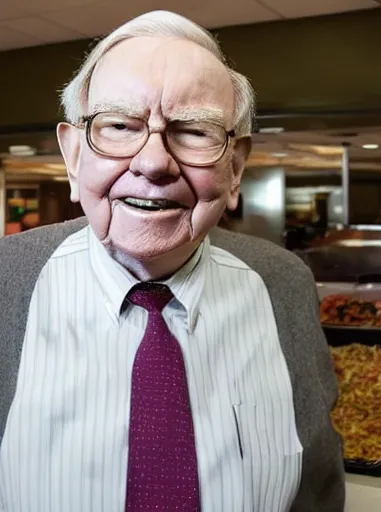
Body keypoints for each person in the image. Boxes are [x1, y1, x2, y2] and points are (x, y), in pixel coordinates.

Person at [0, 10, 344, 512]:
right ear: (73, 156)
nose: (154, 163)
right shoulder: (8, 282)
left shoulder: (282, 284)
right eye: (119, 126)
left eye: (195, 131)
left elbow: (317, 489)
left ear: (235, 168)